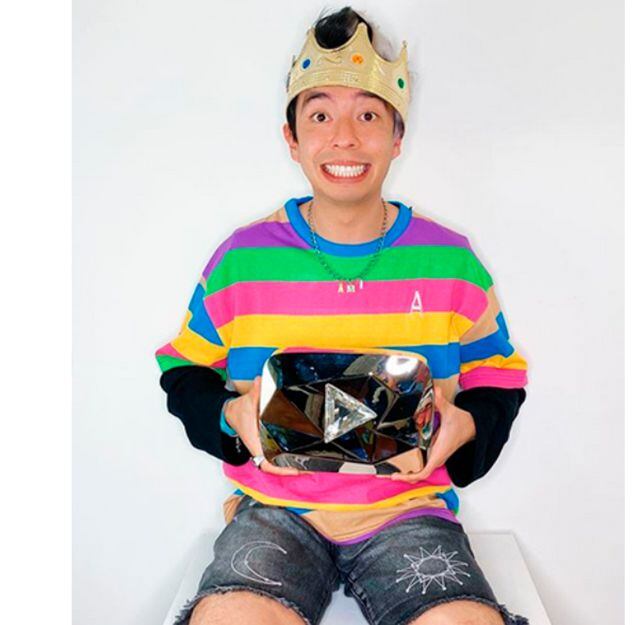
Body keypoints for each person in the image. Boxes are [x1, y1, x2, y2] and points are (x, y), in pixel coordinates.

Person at [155, 7, 530, 625]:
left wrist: (466, 428)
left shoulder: (451, 261)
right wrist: (230, 416)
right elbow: (182, 369)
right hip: (274, 511)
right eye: (321, 115)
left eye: (368, 115)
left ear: (397, 137)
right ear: (292, 138)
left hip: (408, 510)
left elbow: (499, 374)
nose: (345, 138)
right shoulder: (240, 261)